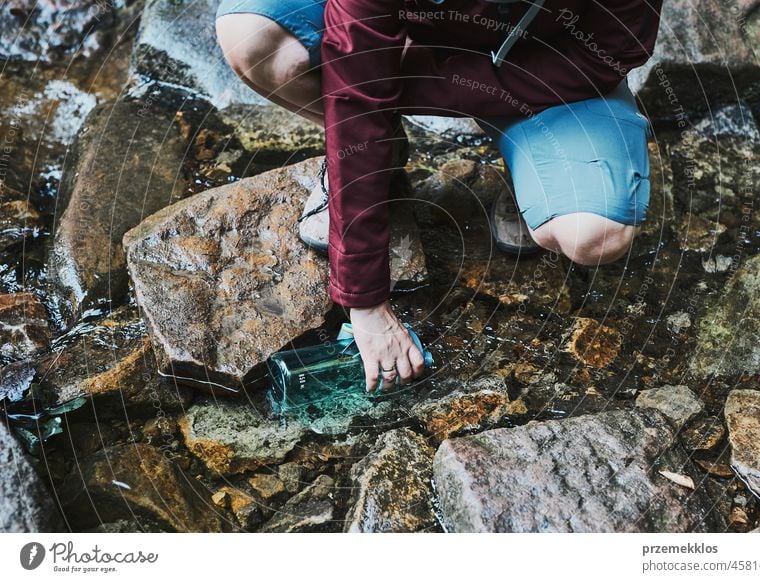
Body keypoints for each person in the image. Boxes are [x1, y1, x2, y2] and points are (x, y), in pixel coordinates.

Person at [215, 0, 663, 392]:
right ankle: (377, 152)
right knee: (255, 40)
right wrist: (366, 303)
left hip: (555, 70)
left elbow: (608, 52)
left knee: (592, 235)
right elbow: (357, 90)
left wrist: (416, 79)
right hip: (414, 41)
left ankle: (525, 165)